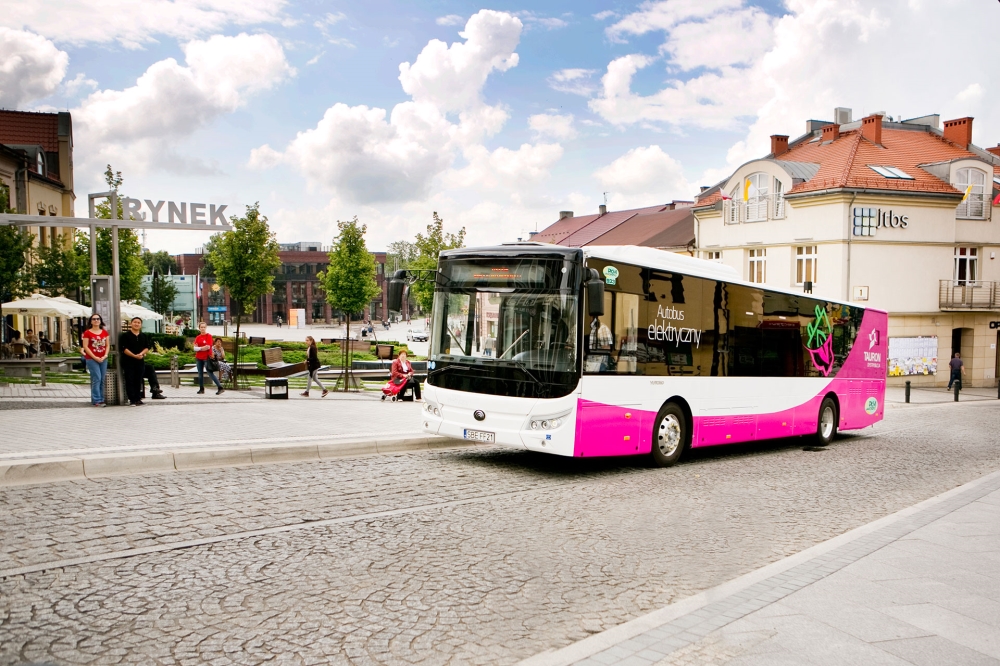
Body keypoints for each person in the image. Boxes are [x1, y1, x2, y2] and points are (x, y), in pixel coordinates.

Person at [120, 317, 151, 406]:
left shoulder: (143, 336)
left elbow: (147, 347)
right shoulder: (125, 335)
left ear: (141, 325)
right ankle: (132, 399)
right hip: (128, 361)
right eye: (135, 322)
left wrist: (141, 354)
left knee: (138, 379)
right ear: (131, 323)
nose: (136, 324)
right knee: (130, 380)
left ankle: (138, 398)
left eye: (138, 322)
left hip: (140, 361)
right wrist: (134, 356)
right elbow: (124, 348)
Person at [82, 314, 109, 407]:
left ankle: (101, 399)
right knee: (96, 378)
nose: (96, 320)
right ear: (91, 321)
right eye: (94, 319)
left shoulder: (104, 332)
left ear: (100, 321)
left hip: (103, 358)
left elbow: (107, 345)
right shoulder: (87, 333)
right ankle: (96, 400)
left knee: (102, 379)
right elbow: (85, 346)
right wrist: (94, 357)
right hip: (91, 359)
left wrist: (105, 355)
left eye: (98, 319)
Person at [193, 321, 224, 395]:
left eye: (204, 327)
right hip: (199, 358)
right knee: (200, 373)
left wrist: (199, 348)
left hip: (207, 358)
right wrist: (202, 348)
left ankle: (220, 387)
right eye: (201, 327)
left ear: (206, 327)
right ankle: (201, 389)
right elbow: (194, 348)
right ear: (199, 328)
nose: (203, 328)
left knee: (210, 373)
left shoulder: (209, 336)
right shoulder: (198, 337)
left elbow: (208, 347)